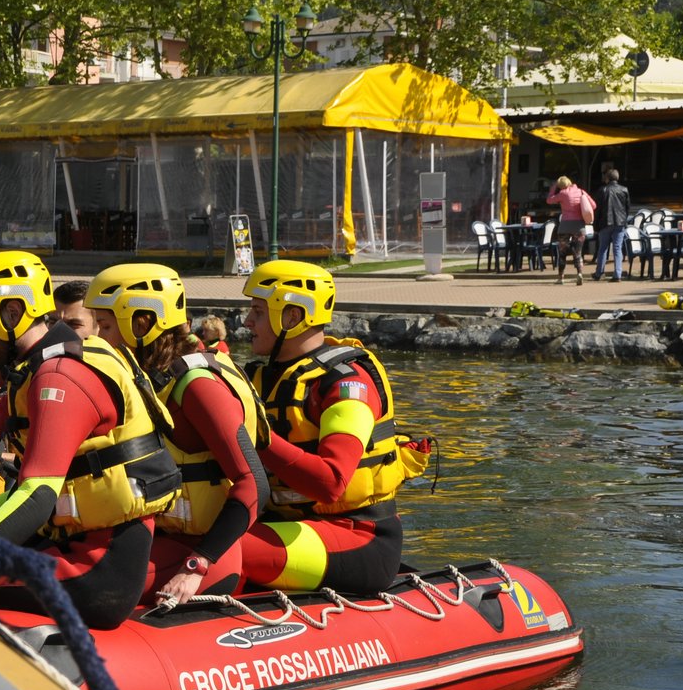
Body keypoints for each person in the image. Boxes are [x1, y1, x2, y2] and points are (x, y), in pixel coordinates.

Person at [0, 251, 181, 630]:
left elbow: (37, 496)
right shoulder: (37, 367)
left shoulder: (59, 376)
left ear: (11, 314)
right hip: (69, 546)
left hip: (95, 572)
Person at [235, 260, 427, 595]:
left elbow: (331, 482)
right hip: (286, 524)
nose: (247, 321)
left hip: (359, 537)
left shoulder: (349, 384)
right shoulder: (258, 378)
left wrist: (258, 436)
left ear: (291, 316)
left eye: (257, 312)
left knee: (222, 549)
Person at [85, 264, 268, 609]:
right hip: (157, 538)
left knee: (81, 587)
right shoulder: (147, 380)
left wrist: (197, 565)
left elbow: (254, 481)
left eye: (105, 326)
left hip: (200, 557)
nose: (96, 339)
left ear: (142, 324)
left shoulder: (196, 386)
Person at [547, 175, 594, 285]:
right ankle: (579, 274)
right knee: (578, 252)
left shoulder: (562, 194)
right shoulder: (581, 192)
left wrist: (553, 188)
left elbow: (549, 200)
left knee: (562, 252)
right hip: (579, 226)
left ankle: (561, 278)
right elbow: (593, 205)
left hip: (565, 226)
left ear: (561, 186)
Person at [593, 169, 631, 282]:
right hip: (620, 223)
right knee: (617, 248)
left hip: (605, 222)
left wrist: (596, 225)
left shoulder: (602, 190)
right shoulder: (624, 190)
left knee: (603, 248)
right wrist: (624, 221)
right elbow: (627, 207)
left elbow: (597, 209)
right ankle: (617, 274)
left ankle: (599, 273)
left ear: (607, 178)